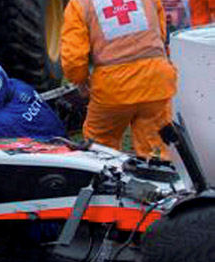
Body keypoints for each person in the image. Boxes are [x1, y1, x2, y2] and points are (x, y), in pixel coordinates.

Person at [61, 0, 178, 159]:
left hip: (112, 89)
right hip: (156, 82)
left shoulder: (80, 4)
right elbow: (161, 33)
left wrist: (80, 80)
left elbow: (73, 59)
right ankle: (161, 175)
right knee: (156, 148)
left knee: (100, 149)